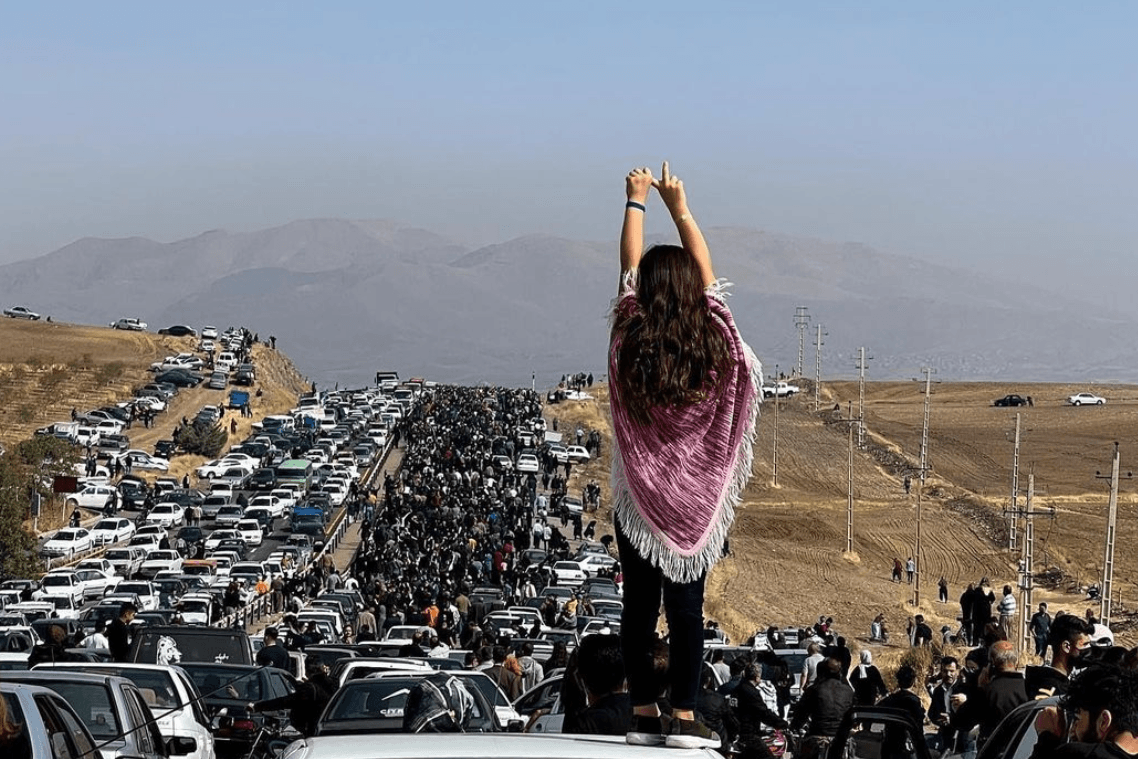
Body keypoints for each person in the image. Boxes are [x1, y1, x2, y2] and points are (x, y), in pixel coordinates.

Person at [609, 164, 761, 750]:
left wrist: (635, 201)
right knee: (688, 610)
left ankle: (645, 713)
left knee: (639, 609)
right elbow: (711, 282)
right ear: (694, 293)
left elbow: (627, 268)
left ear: (644, 293)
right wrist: (682, 206)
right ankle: (687, 714)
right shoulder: (716, 339)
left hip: (639, 501)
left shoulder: (628, 336)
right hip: (696, 502)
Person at [249, 656, 336, 737]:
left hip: (310, 731)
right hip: (328, 729)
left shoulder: (309, 688)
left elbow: (286, 702)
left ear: (307, 671)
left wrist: (258, 706)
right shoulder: (333, 685)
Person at [791, 658, 855, 759]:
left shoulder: (813, 690)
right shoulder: (848, 691)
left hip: (817, 738)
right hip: (842, 740)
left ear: (821, 673)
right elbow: (854, 717)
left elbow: (800, 715)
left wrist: (794, 727)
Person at [1025, 613, 1093, 699]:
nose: (1089, 650)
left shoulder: (1043, 679)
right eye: (1085, 645)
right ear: (1066, 647)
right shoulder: (1052, 691)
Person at [733, 661, 790, 759]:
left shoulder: (738, 689)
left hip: (738, 733)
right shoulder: (750, 692)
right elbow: (763, 713)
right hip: (748, 734)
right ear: (757, 677)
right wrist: (782, 724)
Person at [927, 656, 967, 753]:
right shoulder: (938, 691)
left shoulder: (964, 689)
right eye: (945, 671)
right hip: (944, 735)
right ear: (941, 672)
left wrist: (952, 719)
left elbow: (970, 715)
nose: (948, 674)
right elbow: (932, 713)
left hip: (962, 736)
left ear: (957, 671)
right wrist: (940, 719)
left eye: (952, 671)